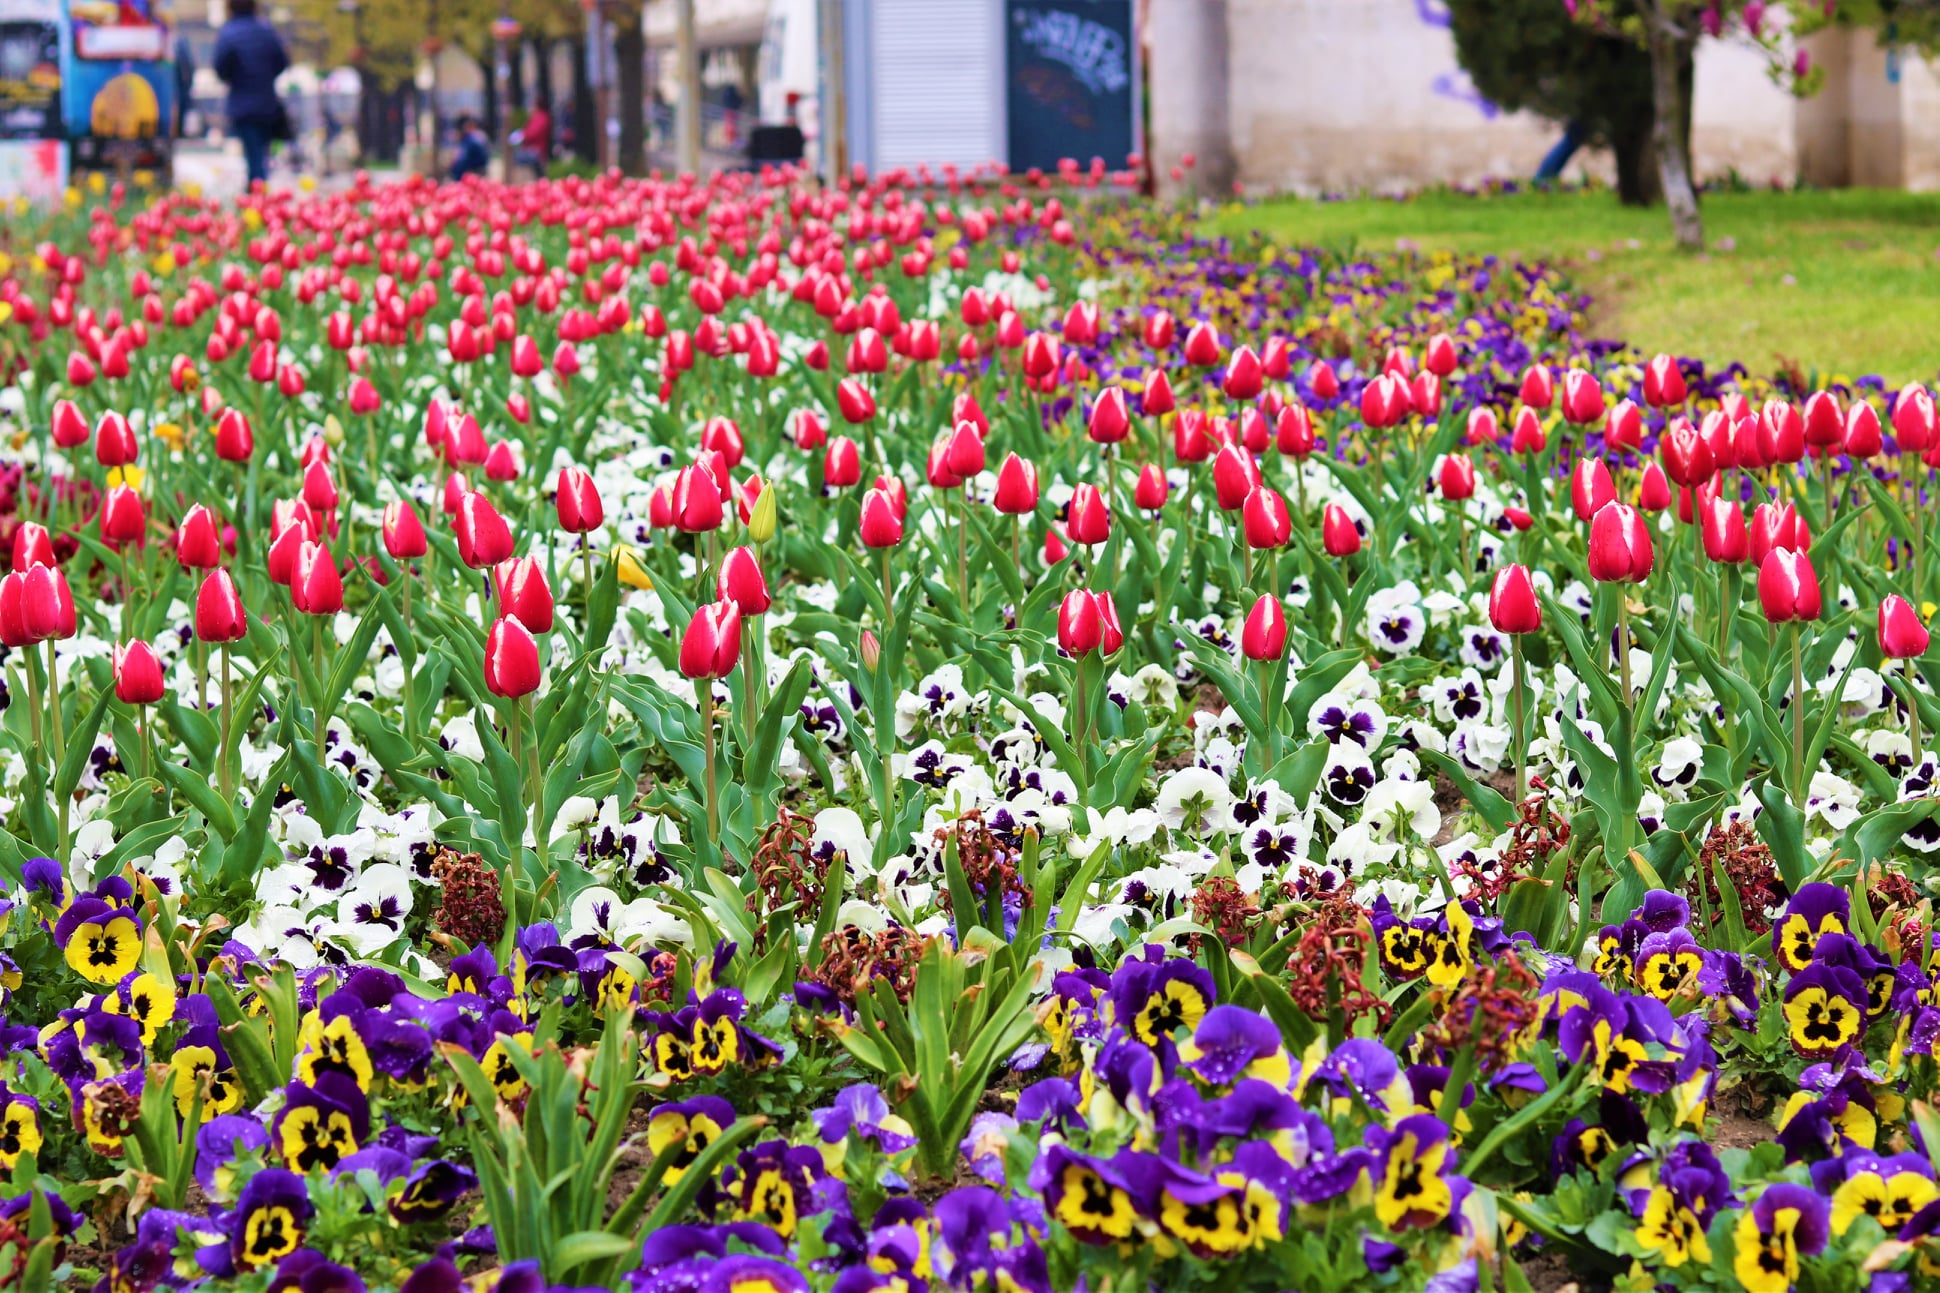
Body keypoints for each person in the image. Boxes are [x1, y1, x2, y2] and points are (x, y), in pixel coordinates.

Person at [213, 0, 289, 187]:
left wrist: (235, 77)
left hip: (242, 104)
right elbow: (282, 61)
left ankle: (257, 195)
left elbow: (220, 68)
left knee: (253, 154)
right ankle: (260, 191)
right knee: (261, 152)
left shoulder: (228, 33)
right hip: (267, 103)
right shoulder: (266, 30)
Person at [449, 114, 490, 179]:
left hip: (471, 175)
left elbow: (463, 161)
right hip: (476, 173)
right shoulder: (478, 137)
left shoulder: (471, 141)